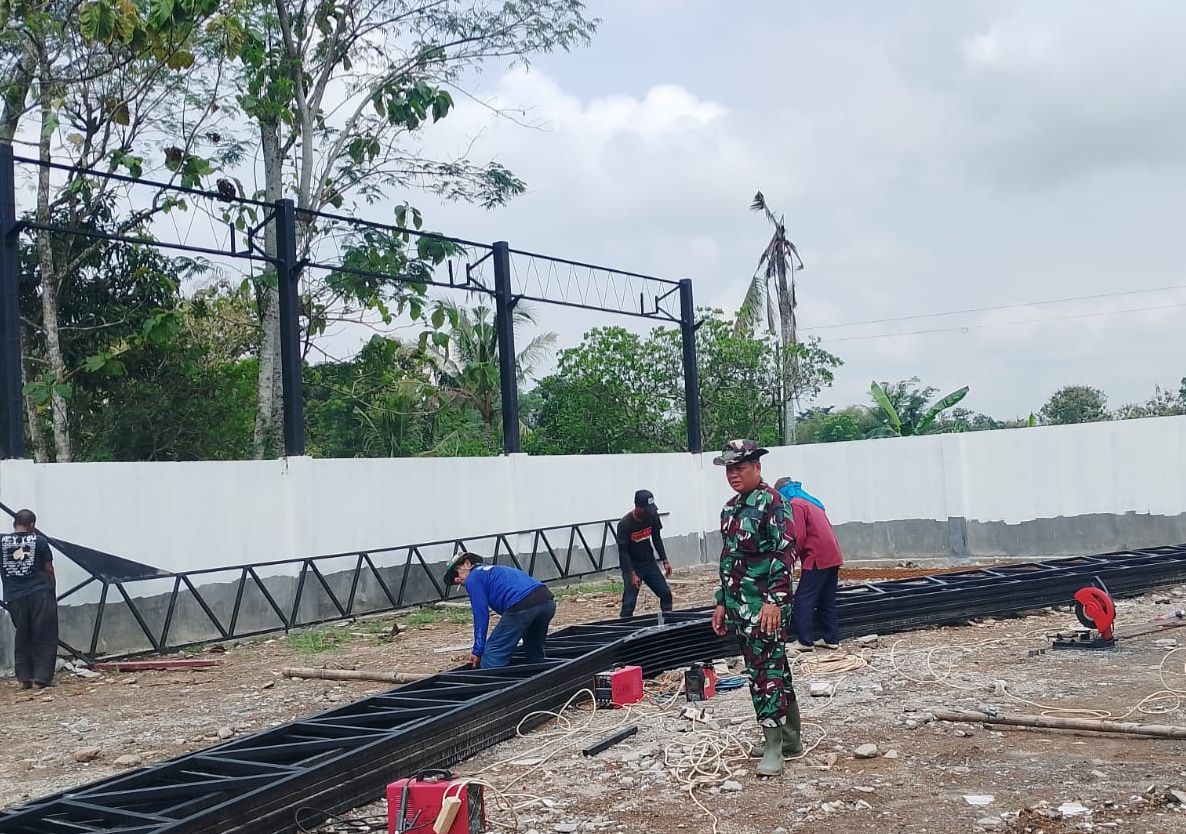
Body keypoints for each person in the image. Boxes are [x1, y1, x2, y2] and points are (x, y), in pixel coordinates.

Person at [710, 440, 803, 777]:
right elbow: (729, 559)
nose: (734, 475)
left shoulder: (773, 503)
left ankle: (774, 746)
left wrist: (774, 601)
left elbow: (785, 554)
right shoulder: (730, 509)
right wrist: (721, 602)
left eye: (740, 468)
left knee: (765, 674)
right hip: (740, 606)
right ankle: (791, 739)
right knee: (773, 669)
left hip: (766, 607)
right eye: (729, 469)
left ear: (757, 467)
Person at [444, 553, 556, 670]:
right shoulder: (494, 570)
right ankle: (541, 674)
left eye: (455, 573)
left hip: (522, 605)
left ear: (467, 563)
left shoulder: (473, 578)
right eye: (453, 581)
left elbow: (481, 615)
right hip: (547, 601)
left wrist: (478, 650)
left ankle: (491, 678)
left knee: (493, 654)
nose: (456, 579)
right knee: (534, 649)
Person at [775, 477, 845, 653]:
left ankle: (805, 641)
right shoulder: (812, 501)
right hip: (832, 555)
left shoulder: (795, 504)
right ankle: (830, 639)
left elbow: (798, 535)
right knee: (826, 599)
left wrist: (789, 559)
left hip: (817, 556)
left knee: (802, 599)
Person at [1, 509, 58, 689]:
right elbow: (48, 569)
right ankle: (41, 679)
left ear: (14, 524)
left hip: (14, 595)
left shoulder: (2, 541)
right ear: (32, 525)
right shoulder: (39, 541)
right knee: (44, 633)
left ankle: (24, 679)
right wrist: (52, 591)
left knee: (23, 634)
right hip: (39, 593)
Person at [616, 489, 673, 619]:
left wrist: (665, 560)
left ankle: (668, 621)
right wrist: (632, 574)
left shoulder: (652, 516)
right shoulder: (624, 524)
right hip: (632, 566)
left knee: (666, 594)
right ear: (638, 508)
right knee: (629, 604)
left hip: (649, 564)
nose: (649, 513)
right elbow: (623, 552)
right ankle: (626, 625)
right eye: (646, 510)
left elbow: (657, 538)